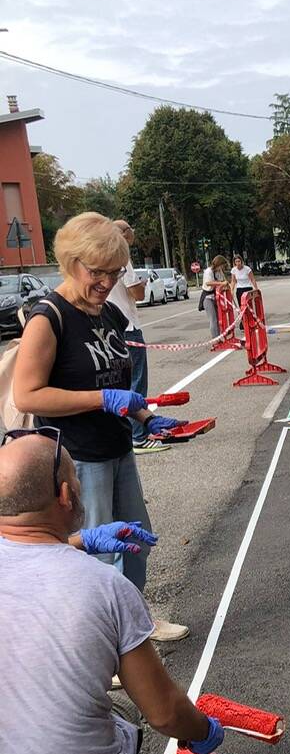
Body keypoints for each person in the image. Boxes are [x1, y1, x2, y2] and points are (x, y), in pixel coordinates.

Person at [0, 432, 223, 754]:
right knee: (122, 715)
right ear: (66, 495)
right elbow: (164, 713)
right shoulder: (106, 588)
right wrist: (201, 731)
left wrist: (77, 540)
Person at [12, 212, 187, 641]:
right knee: (95, 556)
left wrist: (146, 416)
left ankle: (135, 622)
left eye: (115, 272)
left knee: (135, 541)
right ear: (71, 263)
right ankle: (98, 643)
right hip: (78, 458)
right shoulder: (48, 317)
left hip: (117, 448)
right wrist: (101, 400)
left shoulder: (106, 313)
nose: (107, 282)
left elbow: (114, 378)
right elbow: (27, 395)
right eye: (97, 272)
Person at [107, 221, 166, 455]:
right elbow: (137, 293)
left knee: (115, 383)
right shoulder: (122, 257)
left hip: (109, 328)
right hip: (128, 328)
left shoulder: (101, 256)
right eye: (131, 232)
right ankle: (139, 436)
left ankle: (126, 434)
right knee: (136, 381)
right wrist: (141, 283)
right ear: (125, 235)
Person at [200, 255, 232, 340]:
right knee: (213, 319)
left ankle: (220, 336)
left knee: (219, 319)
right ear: (218, 264)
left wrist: (225, 285)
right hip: (208, 297)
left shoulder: (218, 272)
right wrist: (221, 283)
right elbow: (208, 283)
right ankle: (215, 339)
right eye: (222, 266)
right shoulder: (208, 271)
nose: (222, 268)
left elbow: (222, 282)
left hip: (216, 297)